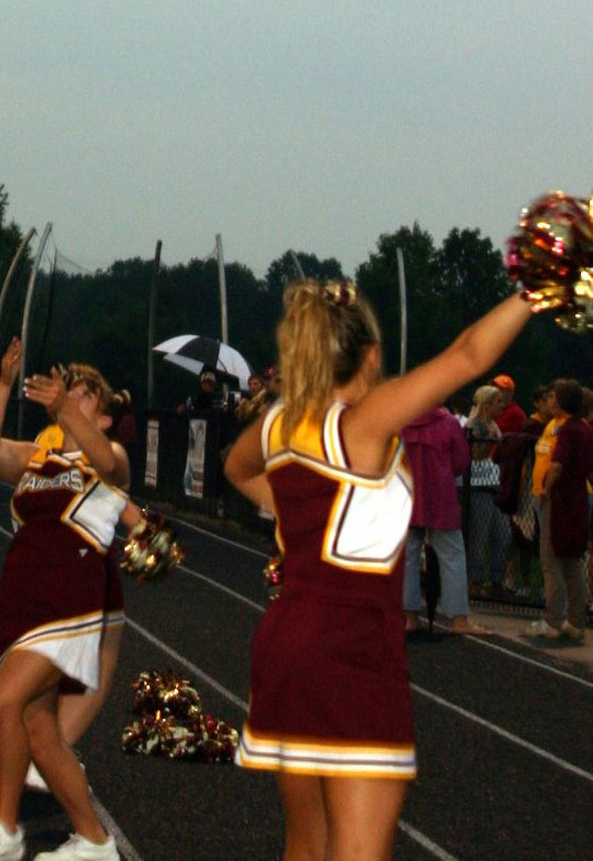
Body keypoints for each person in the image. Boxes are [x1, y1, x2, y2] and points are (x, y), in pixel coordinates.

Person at [224, 278, 531, 861]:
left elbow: (237, 470)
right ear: (371, 355)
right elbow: (469, 355)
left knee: (306, 846)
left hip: (285, 644)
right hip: (351, 650)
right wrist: (536, 288)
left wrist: (291, 518)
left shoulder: (278, 423)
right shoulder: (361, 424)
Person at [0, 346, 138, 861]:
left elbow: (108, 462)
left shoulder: (108, 459)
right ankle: (94, 841)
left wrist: (66, 412)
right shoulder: (39, 455)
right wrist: (2, 383)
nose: (71, 396)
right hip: (22, 594)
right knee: (39, 727)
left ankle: (6, 828)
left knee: (3, 701)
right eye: (68, 391)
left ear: (103, 416)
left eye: (85, 395)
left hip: (71, 596)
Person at [400, 404, 487, 635]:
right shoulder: (448, 423)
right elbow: (461, 461)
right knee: (453, 557)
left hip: (406, 496)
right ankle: (459, 620)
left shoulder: (401, 421)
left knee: (407, 557)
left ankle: (410, 616)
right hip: (441, 496)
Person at [523, 379, 593, 641]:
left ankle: (553, 620)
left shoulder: (568, 430)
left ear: (564, 401)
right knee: (572, 561)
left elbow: (557, 465)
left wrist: (544, 490)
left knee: (551, 560)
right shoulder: (585, 428)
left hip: (561, 499)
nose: (550, 402)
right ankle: (576, 621)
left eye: (555, 398)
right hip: (577, 498)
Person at [464, 385, 512, 593]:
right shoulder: (474, 425)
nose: (503, 406)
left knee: (503, 535)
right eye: (498, 402)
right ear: (487, 403)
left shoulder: (495, 426)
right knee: (479, 536)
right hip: (478, 485)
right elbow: (474, 455)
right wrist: (489, 442)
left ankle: (496, 580)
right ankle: (474, 579)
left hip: (494, 484)